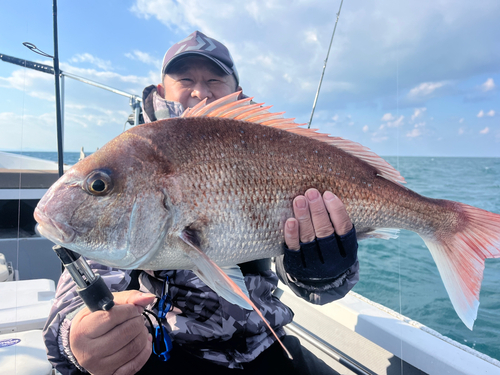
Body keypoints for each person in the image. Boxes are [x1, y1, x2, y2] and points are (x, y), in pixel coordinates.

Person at [43, 31, 359, 375]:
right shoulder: (131, 160)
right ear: (161, 91)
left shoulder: (267, 147)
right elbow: (81, 293)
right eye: (186, 79)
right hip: (166, 351)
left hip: (266, 342)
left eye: (214, 79)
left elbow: (311, 287)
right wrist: (77, 335)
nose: (201, 91)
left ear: (236, 92)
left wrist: (322, 273)